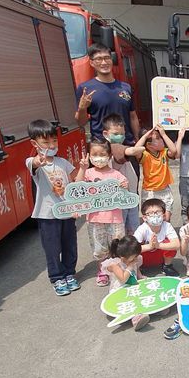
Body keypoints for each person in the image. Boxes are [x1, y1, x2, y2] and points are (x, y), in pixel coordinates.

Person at [25, 120, 80, 296]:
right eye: (46, 142)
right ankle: (57, 278)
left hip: (67, 212)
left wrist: (84, 168)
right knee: (52, 248)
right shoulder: (33, 162)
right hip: (47, 214)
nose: (51, 145)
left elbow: (75, 183)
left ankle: (70, 273)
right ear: (35, 143)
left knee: (70, 244)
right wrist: (38, 160)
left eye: (54, 141)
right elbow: (33, 164)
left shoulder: (62, 162)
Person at [75, 44, 140, 164]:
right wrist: (82, 108)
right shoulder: (85, 88)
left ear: (112, 60)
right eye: (99, 59)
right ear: (92, 63)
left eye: (107, 58)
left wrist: (137, 140)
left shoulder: (125, 87)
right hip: (101, 150)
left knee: (130, 182)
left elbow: (133, 116)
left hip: (126, 147)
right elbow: (81, 122)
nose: (104, 62)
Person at [76, 139, 128, 287]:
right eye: (95, 154)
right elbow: (77, 187)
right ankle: (103, 270)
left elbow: (125, 188)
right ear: (89, 155)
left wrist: (124, 186)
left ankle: (118, 269)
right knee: (99, 247)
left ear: (110, 155)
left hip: (115, 218)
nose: (99, 157)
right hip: (95, 218)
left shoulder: (115, 174)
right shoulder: (88, 173)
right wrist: (82, 169)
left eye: (102, 154)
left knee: (117, 245)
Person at [102, 113, 140, 234]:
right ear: (105, 134)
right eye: (116, 134)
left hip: (131, 196)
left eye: (122, 134)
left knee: (133, 228)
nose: (120, 137)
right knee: (121, 229)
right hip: (119, 199)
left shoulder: (119, 146)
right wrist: (139, 148)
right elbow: (131, 151)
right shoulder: (112, 148)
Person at [101, 236, 150, 331]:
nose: (136, 259)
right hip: (120, 289)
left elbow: (136, 269)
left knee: (144, 295)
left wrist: (140, 277)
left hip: (133, 286)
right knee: (130, 302)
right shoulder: (114, 264)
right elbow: (123, 279)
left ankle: (154, 309)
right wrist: (130, 267)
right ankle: (135, 318)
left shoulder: (133, 259)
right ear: (123, 257)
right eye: (133, 257)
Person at [133, 125, 178, 222]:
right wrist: (145, 136)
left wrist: (164, 134)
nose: (161, 139)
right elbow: (135, 150)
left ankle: (164, 237)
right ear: (149, 145)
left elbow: (174, 150)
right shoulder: (145, 155)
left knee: (166, 219)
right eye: (158, 138)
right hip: (150, 192)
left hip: (164, 190)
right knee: (151, 220)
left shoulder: (163, 152)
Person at [133, 198, 180, 276]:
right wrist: (150, 246)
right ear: (144, 218)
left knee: (170, 244)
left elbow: (177, 244)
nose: (155, 215)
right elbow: (132, 248)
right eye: (151, 213)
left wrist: (158, 245)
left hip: (160, 256)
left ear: (164, 215)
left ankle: (167, 266)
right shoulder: (142, 228)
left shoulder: (167, 226)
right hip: (145, 258)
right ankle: (139, 268)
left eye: (158, 212)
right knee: (136, 248)